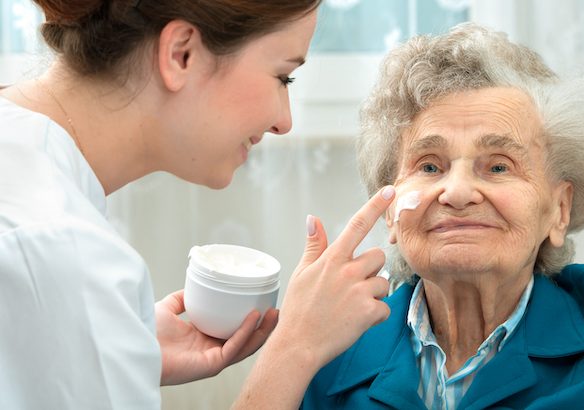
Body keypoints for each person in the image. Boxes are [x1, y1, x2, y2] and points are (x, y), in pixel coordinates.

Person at [0, 1, 394, 408]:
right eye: (283, 77)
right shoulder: (64, 252)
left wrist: (115, 348)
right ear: (181, 54)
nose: (284, 121)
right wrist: (295, 348)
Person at [301, 23, 584, 409]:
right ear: (389, 210)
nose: (455, 193)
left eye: (498, 167)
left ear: (559, 211)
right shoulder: (335, 341)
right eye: (428, 166)